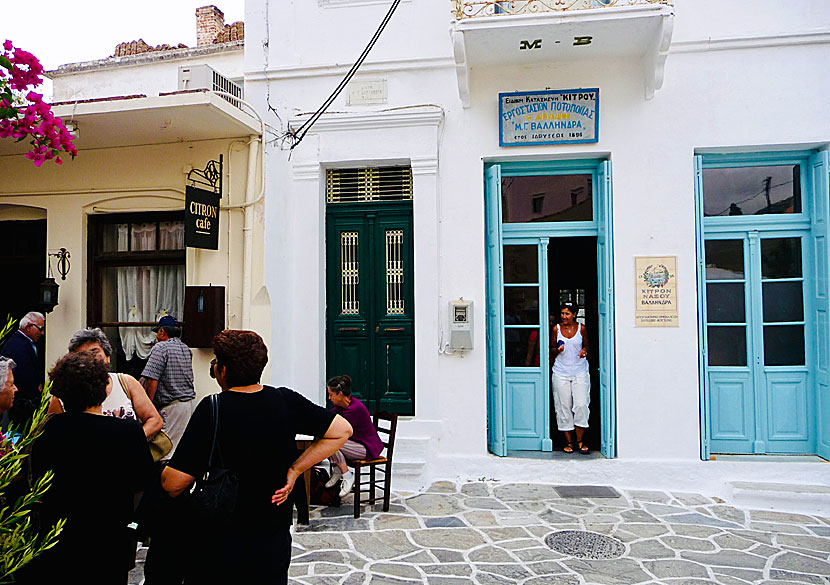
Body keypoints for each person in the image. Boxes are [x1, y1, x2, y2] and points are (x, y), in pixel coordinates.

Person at [158, 330, 352, 585]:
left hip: (222, 538)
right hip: (272, 536)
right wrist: (295, 469)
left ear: (223, 370)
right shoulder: (285, 400)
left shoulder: (213, 408)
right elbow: (342, 430)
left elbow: (172, 483)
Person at [17, 350, 154, 585]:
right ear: (103, 389)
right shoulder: (126, 432)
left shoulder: (43, 432)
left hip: (56, 538)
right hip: (110, 538)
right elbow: (144, 483)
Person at [47, 328, 163, 439]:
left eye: (95, 353)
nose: (90, 359)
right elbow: (53, 434)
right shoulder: (62, 395)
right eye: (82, 355)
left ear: (108, 357)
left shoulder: (126, 382)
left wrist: (129, 441)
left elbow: (154, 420)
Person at [141, 315, 195, 459]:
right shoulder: (185, 348)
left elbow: (152, 378)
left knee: (165, 451)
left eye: (157, 332)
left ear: (162, 332)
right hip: (187, 404)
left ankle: (165, 481)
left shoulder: (160, 348)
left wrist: (148, 405)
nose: (157, 336)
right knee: (181, 450)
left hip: (172, 407)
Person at [324, 374, 384, 498]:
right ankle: (338, 470)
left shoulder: (354, 410)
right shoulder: (342, 407)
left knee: (329, 442)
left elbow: (338, 432)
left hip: (366, 448)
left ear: (340, 394)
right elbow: (329, 416)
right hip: (354, 444)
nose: (329, 398)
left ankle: (346, 475)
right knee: (326, 441)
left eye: (331, 395)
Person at [551, 302, 590, 454]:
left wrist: (584, 351)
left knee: (581, 405)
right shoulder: (556, 329)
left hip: (580, 371)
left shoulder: (582, 328)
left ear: (574, 314)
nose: (564, 317)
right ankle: (568, 442)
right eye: (562, 313)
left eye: (567, 313)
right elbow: (551, 349)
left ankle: (580, 440)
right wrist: (557, 350)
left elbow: (587, 345)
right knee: (563, 407)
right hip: (561, 372)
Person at [0, 311, 45, 428]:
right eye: (40, 329)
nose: (42, 333)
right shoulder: (17, 346)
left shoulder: (25, 343)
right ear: (29, 327)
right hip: (21, 406)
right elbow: (22, 376)